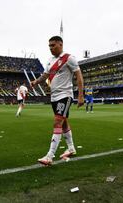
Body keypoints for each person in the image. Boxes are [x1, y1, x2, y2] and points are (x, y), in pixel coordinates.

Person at [31, 36, 84, 165]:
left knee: (57, 122)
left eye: (53, 45)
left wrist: (81, 95)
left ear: (61, 44)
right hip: (54, 97)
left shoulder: (69, 58)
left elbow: (79, 76)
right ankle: (71, 148)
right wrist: (36, 81)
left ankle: (49, 156)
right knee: (64, 122)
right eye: (49, 46)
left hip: (65, 95)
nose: (51, 48)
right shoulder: (50, 61)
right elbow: (45, 75)